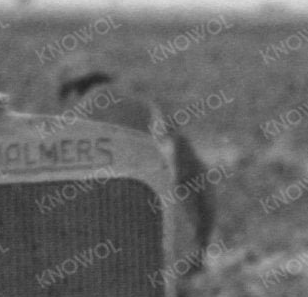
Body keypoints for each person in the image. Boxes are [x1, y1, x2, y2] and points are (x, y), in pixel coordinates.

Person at [54, 57, 217, 280]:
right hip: (159, 239)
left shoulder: (74, 122)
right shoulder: (147, 108)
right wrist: (200, 249)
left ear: (72, 91)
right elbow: (201, 188)